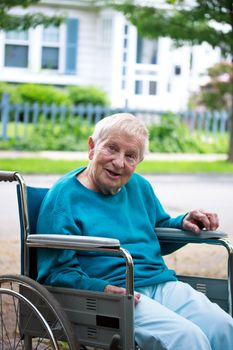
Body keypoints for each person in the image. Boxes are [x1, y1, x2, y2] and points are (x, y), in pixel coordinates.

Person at [37, 113, 233, 350]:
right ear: (91, 147)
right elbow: (56, 272)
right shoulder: (64, 198)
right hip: (111, 296)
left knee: (223, 326)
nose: (119, 163)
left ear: (138, 161)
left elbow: (158, 232)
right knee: (187, 338)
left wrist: (184, 222)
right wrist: (101, 289)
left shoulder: (139, 186)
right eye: (111, 148)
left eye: (130, 156)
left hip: (160, 283)